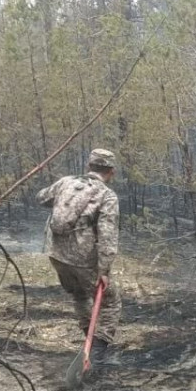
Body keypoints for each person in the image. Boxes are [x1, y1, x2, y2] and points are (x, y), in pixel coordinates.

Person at [38, 148, 122, 363]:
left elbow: (42, 198)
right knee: (110, 302)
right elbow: (108, 235)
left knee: (79, 295)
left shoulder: (66, 182)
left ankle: (89, 341)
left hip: (55, 253)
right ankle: (96, 352)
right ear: (111, 171)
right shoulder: (106, 195)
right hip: (82, 259)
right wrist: (104, 270)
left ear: (89, 167)